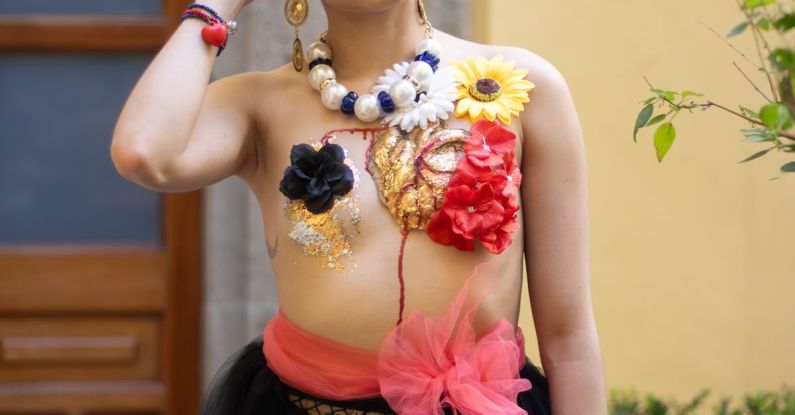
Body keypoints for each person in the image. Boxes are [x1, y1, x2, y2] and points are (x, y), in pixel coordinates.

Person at [110, 0, 607, 413]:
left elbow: (568, 337)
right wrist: (214, 5)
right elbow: (144, 153)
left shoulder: (523, 88)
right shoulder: (258, 105)